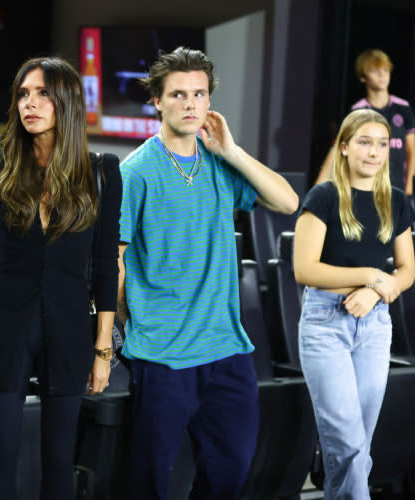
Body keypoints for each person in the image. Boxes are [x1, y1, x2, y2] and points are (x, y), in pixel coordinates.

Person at [117, 46, 299, 500]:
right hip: (162, 352)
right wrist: (129, 324)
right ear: (157, 101)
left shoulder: (220, 163)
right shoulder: (135, 171)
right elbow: (115, 260)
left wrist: (233, 151)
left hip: (225, 346)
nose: (190, 103)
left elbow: (288, 203)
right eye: (178, 94)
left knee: (231, 470)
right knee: (149, 481)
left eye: (199, 94)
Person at [0, 56, 122, 499]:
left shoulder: (102, 171)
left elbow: (106, 264)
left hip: (70, 329)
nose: (29, 104)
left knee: (58, 465)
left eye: (42, 94)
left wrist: (103, 350)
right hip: (5, 325)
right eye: (23, 94)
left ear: (68, 101)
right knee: (0, 462)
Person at [294, 108, 415, 499]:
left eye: (382, 144)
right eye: (364, 142)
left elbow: (407, 270)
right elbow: (304, 269)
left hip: (376, 326)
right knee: (347, 443)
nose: (374, 152)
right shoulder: (324, 197)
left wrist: (377, 289)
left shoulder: (395, 202)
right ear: (344, 147)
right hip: (326, 321)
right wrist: (369, 276)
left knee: (358, 446)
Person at [314, 49, 415, 195]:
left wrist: (410, 186)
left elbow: (412, 149)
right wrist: (319, 185)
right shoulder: (358, 110)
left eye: (386, 70)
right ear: (363, 77)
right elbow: (338, 148)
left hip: (399, 187)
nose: (382, 75)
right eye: (375, 71)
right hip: (368, 187)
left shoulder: (403, 108)